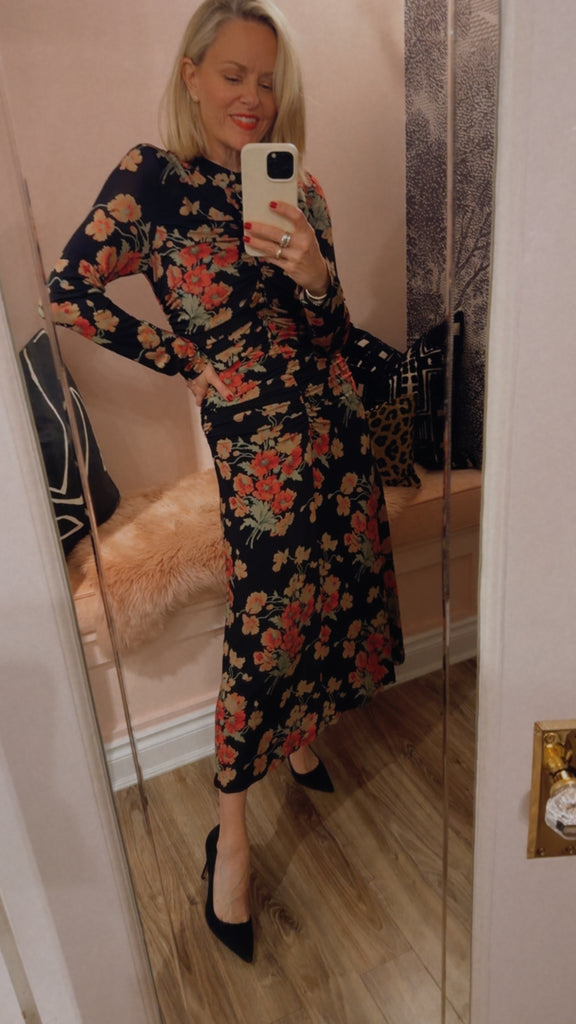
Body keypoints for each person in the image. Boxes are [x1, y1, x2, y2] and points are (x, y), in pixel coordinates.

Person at [48, 0, 404, 964]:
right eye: (234, 75)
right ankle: (232, 840)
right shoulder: (152, 179)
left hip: (335, 426)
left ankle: (300, 734)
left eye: (267, 82)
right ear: (194, 76)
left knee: (333, 590)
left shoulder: (298, 188)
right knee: (266, 625)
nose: (252, 97)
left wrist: (317, 275)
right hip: (259, 447)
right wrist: (181, 359)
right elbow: (68, 290)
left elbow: (331, 335)